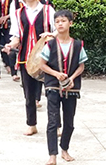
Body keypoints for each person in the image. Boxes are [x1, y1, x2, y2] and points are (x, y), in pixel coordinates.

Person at [3, 0, 55, 136]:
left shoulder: (48, 10)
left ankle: (56, 125)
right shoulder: (18, 13)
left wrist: (51, 35)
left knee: (52, 93)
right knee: (29, 94)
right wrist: (10, 45)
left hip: (47, 58)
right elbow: (17, 36)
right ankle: (31, 124)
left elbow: (58, 31)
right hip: (26, 58)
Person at [39, 10, 87, 165]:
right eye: (57, 21)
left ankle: (64, 149)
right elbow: (42, 64)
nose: (60, 24)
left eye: (63, 21)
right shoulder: (50, 44)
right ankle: (52, 155)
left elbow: (81, 66)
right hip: (53, 87)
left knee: (69, 122)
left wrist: (72, 78)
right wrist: (56, 74)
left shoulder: (78, 45)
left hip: (71, 89)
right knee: (53, 121)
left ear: (70, 23)